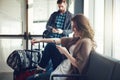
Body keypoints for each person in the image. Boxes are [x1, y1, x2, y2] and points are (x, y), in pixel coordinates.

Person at [30, 13, 96, 80]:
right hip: (63, 66)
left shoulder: (86, 42)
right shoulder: (77, 38)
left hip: (67, 73)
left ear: (81, 27)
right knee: (51, 46)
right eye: (72, 27)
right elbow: (58, 40)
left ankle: (40, 71)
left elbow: (79, 66)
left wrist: (65, 53)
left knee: (31, 79)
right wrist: (40, 40)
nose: (73, 29)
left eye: (75, 27)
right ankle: (40, 69)